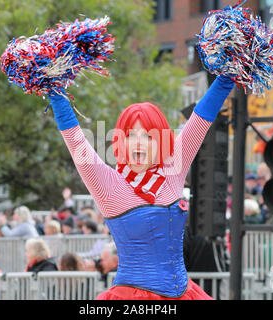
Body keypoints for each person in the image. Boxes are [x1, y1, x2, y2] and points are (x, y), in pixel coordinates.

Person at [47, 72, 235, 299]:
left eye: (147, 136)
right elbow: (75, 138)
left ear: (161, 141)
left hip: (186, 293)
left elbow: (200, 120)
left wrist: (227, 75)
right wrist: (54, 90)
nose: (138, 142)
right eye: (130, 135)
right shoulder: (107, 184)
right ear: (120, 141)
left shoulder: (172, 170)